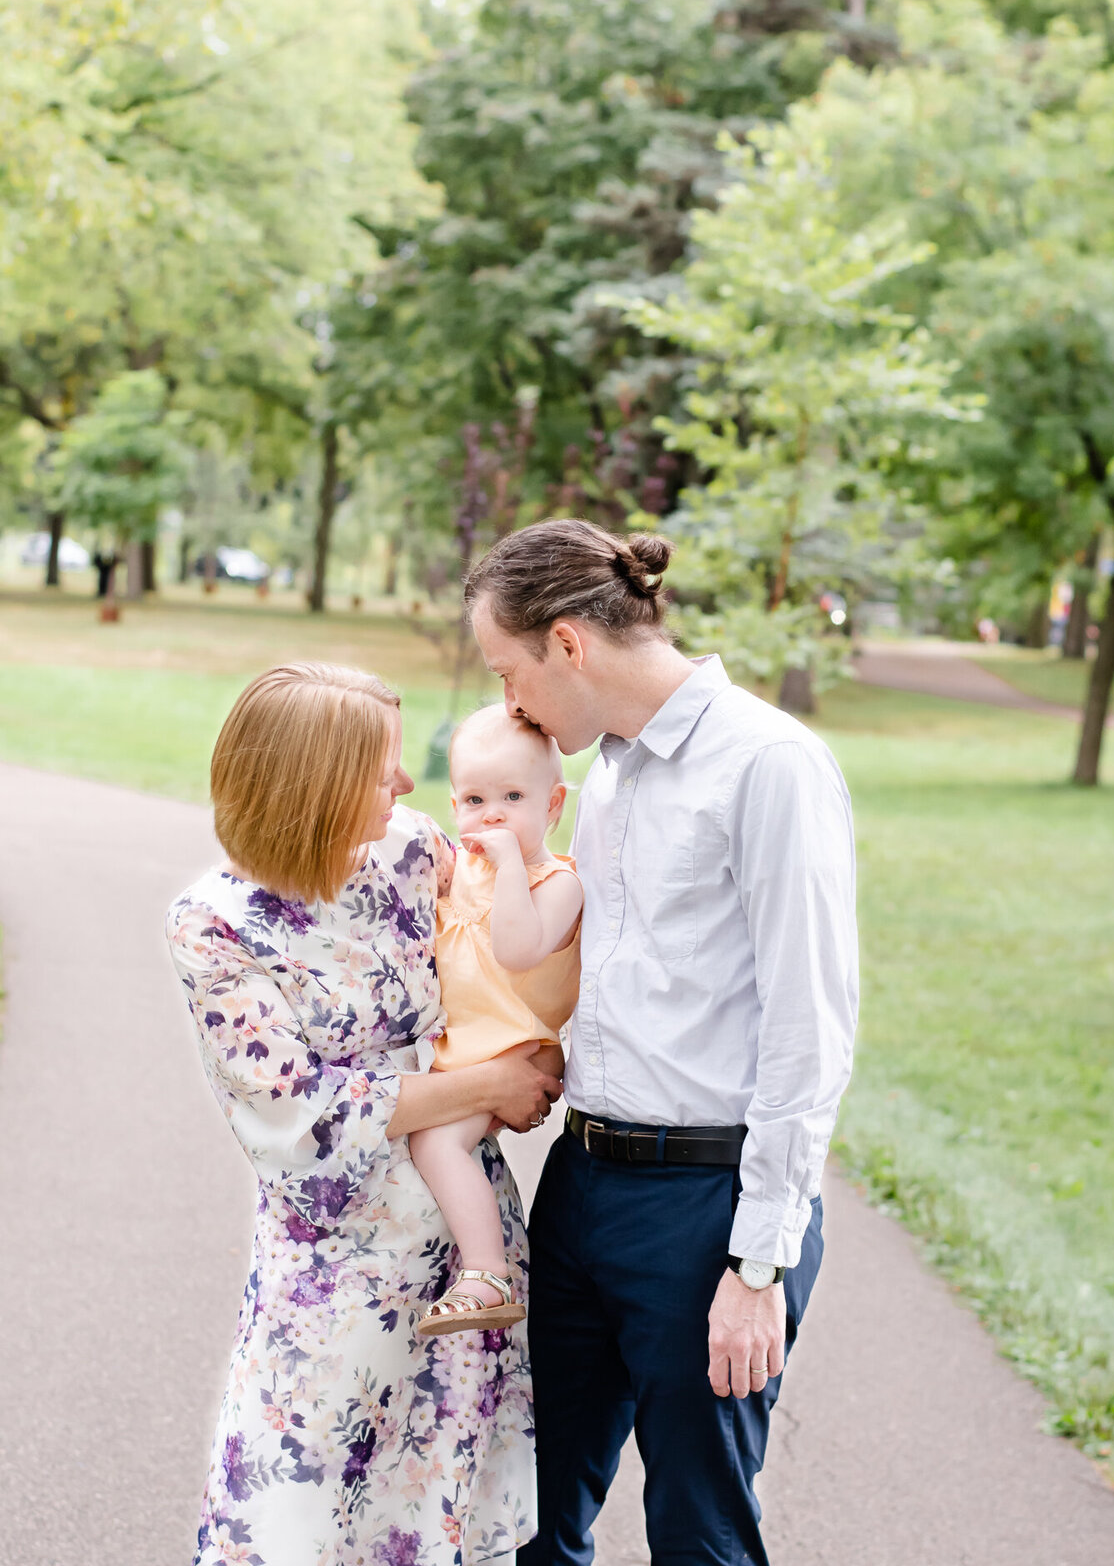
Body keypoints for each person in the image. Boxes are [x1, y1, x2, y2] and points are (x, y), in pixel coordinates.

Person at [464, 520, 859, 1566]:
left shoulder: (771, 765)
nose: (510, 704)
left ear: (567, 644)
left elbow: (809, 1027)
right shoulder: (606, 775)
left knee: (699, 1533)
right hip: (584, 1184)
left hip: (709, 1207)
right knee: (529, 1517)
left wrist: (758, 1265)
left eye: (509, 671)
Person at [165, 662, 560, 1566]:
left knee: (440, 1509)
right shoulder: (215, 925)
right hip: (337, 1269)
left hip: (465, 1250)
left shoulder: (416, 851)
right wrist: (487, 1087)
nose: (409, 784)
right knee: (299, 1509)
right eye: (384, 764)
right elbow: (304, 1115)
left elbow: (507, 948)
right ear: (318, 780)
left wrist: (534, 1043)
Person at [411, 705, 583, 1336]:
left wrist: (511, 866)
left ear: (553, 804)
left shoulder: (556, 882)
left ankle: (486, 1273)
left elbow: (515, 949)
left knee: (437, 1141)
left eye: (513, 796)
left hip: (508, 1049)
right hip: (459, 1047)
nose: (493, 814)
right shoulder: (463, 869)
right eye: (476, 799)